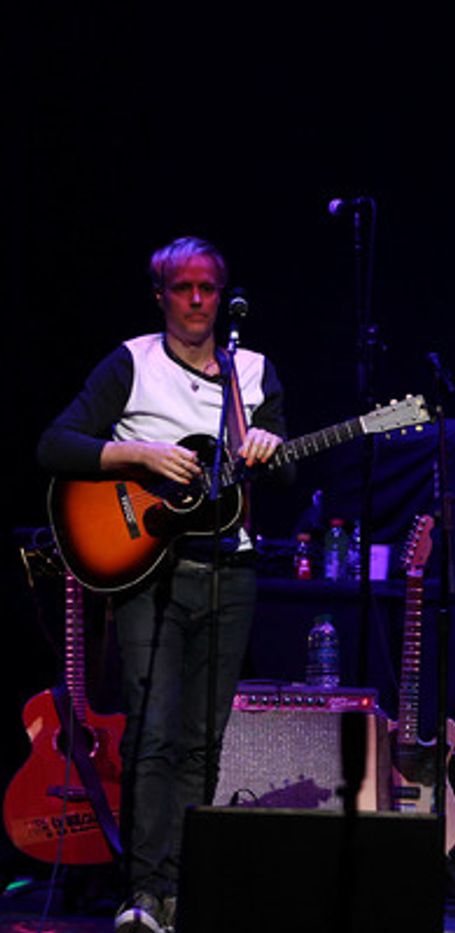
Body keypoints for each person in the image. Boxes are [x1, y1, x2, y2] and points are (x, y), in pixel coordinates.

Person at [36, 236, 288, 933]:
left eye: (209, 287)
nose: (199, 300)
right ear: (161, 295)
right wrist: (138, 451)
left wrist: (268, 447)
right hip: (149, 574)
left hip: (230, 571)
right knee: (153, 735)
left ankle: (182, 887)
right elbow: (54, 444)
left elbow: (289, 470)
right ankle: (142, 893)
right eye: (184, 288)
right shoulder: (132, 361)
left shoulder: (254, 373)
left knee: (205, 742)